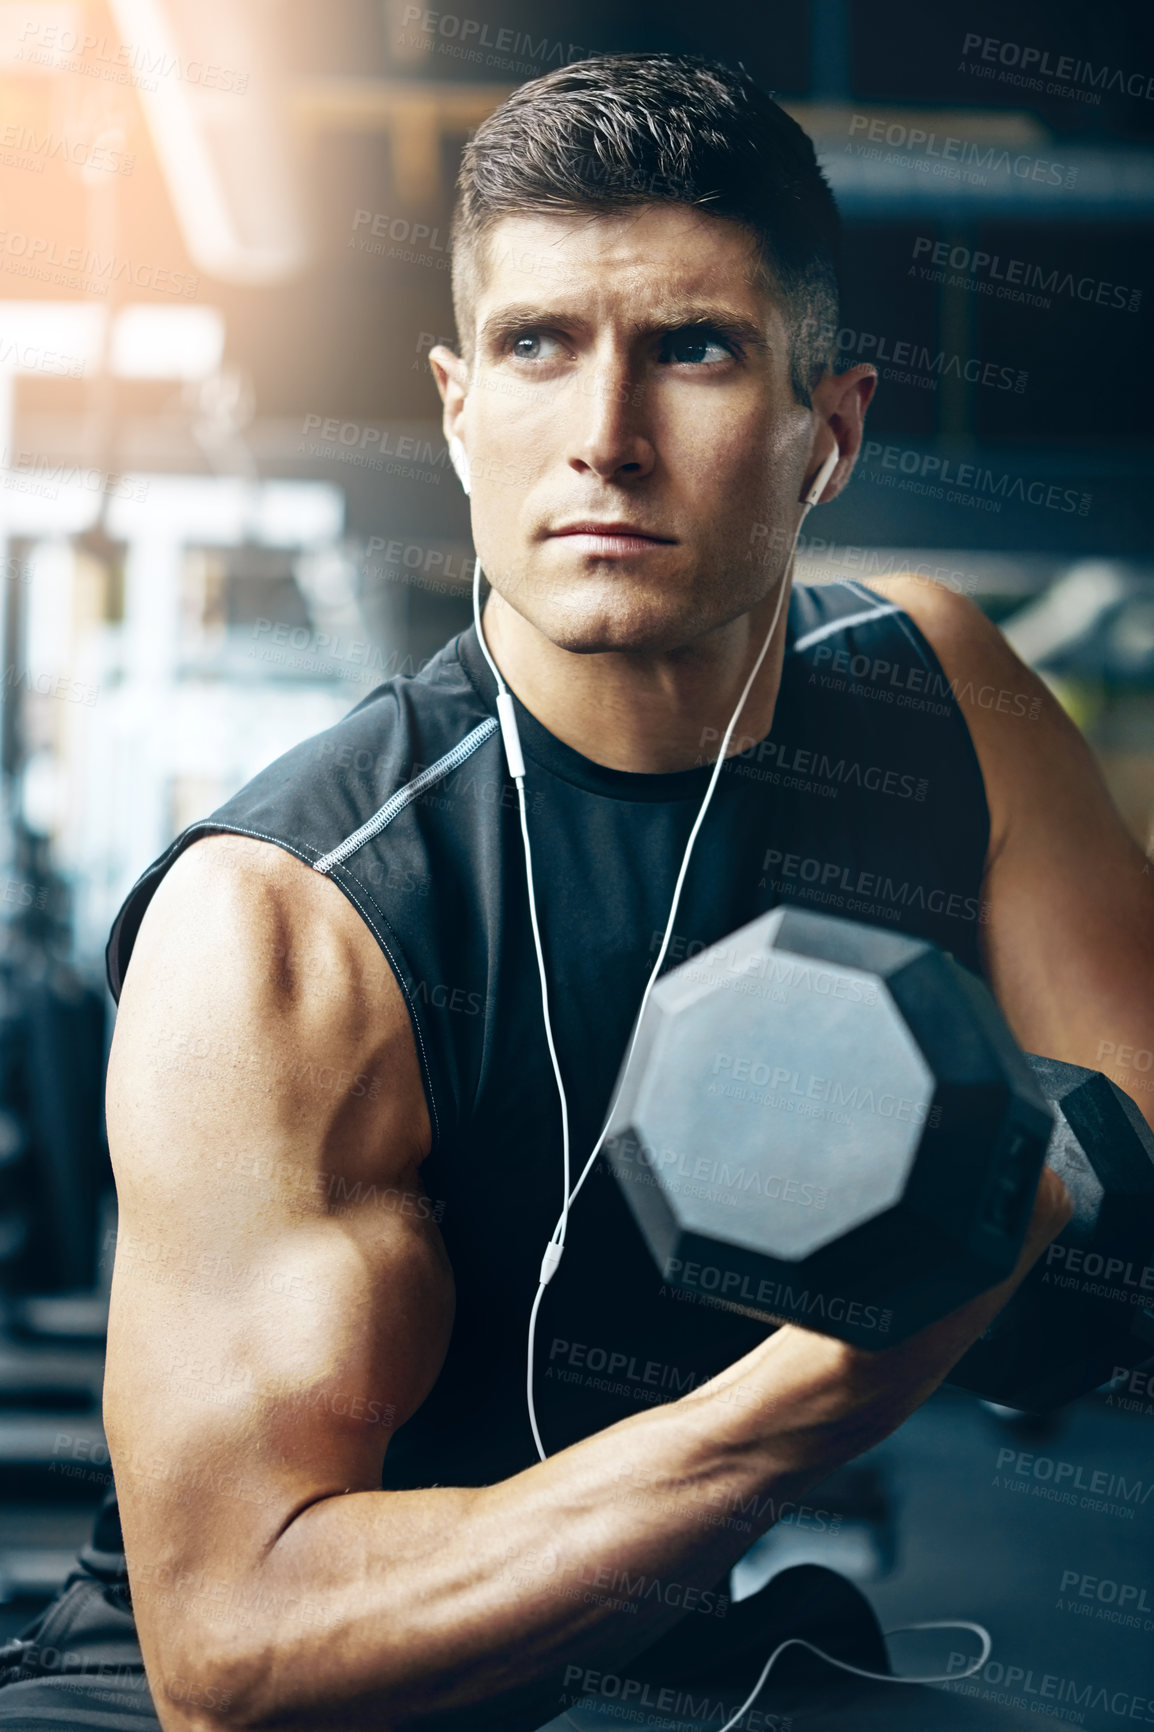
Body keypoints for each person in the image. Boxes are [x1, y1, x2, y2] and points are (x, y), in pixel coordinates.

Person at [2, 50, 1149, 1732]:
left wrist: (1037, 1185)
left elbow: (1126, 1143)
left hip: (644, 1646)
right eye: (539, 346)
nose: (603, 438)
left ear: (825, 432)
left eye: (691, 349)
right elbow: (231, 1652)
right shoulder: (283, 921)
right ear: (461, 411)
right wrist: (833, 1380)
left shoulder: (938, 694)